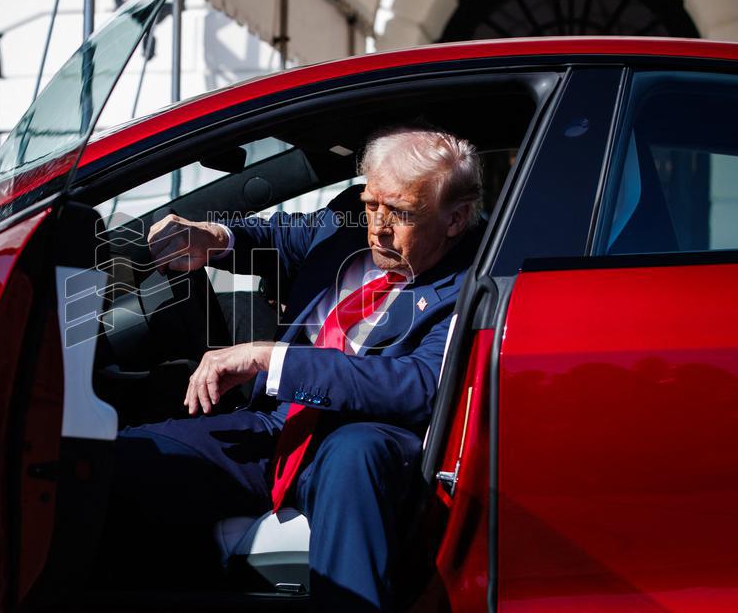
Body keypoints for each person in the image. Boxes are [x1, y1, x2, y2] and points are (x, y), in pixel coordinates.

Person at [100, 126, 483, 612]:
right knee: (113, 462)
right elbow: (280, 235)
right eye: (371, 205)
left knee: (356, 452)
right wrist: (213, 238)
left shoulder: (473, 279)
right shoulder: (345, 222)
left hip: (363, 439)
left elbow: (419, 385)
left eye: (401, 213)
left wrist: (272, 359)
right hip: (277, 424)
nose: (378, 228)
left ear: (455, 218)